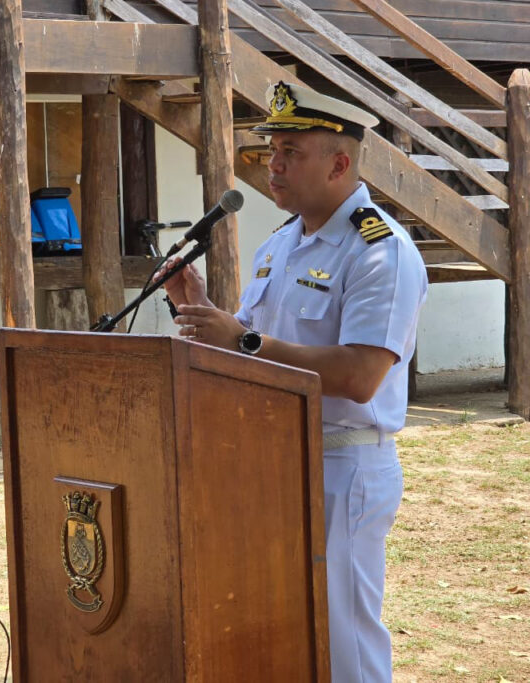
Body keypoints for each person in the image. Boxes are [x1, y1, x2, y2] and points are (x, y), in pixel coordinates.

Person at [163, 82, 427, 682]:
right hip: (270, 459)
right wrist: (201, 309)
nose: (273, 164)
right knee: (278, 624)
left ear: (339, 164)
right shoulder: (280, 244)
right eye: (272, 150)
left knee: (342, 638)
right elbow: (250, 346)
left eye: (291, 152)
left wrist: (243, 341)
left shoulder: (378, 251)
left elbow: (360, 375)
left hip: (341, 465)